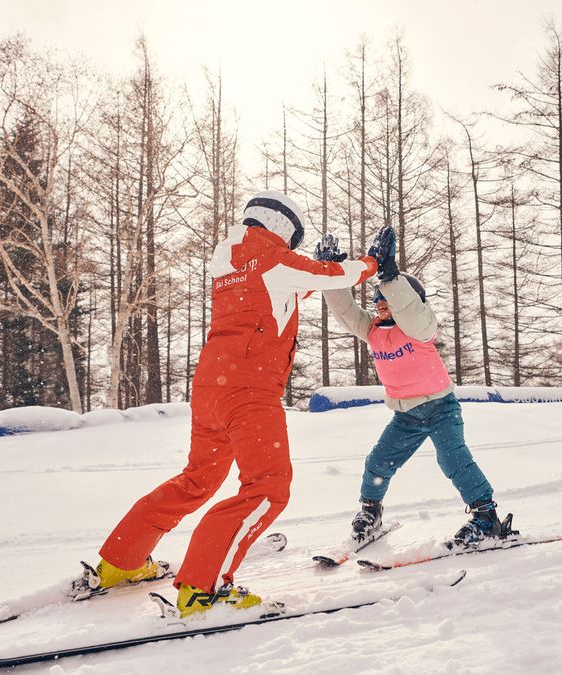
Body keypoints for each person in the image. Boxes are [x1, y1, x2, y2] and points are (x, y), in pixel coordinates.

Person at [84, 191, 378, 619]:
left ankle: (120, 563)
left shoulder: (228, 257)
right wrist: (369, 261)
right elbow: (334, 274)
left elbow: (278, 290)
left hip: (210, 388)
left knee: (197, 480)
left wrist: (315, 272)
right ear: (283, 227)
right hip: (250, 392)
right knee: (268, 488)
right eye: (293, 238)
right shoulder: (273, 259)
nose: (292, 246)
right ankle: (204, 589)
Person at [314, 228, 514, 547]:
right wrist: (332, 275)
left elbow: (409, 310)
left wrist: (388, 276)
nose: (380, 304)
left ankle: (486, 517)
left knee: (453, 460)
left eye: (386, 299)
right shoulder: (373, 330)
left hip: (440, 409)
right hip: (406, 416)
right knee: (378, 462)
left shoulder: (420, 329)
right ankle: (370, 512)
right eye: (377, 300)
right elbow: (345, 311)